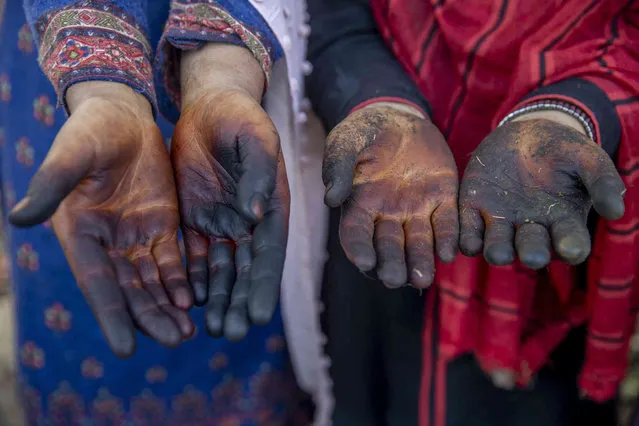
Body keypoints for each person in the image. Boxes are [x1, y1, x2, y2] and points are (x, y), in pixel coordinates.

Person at [306, 0, 639, 425]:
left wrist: (569, 113)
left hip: (548, 220)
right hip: (384, 200)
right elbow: (337, 21)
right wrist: (381, 105)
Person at [2, 0, 331, 424]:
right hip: (71, 79)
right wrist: (103, 83)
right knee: (86, 242)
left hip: (256, 51)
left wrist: (221, 72)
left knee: (242, 261)